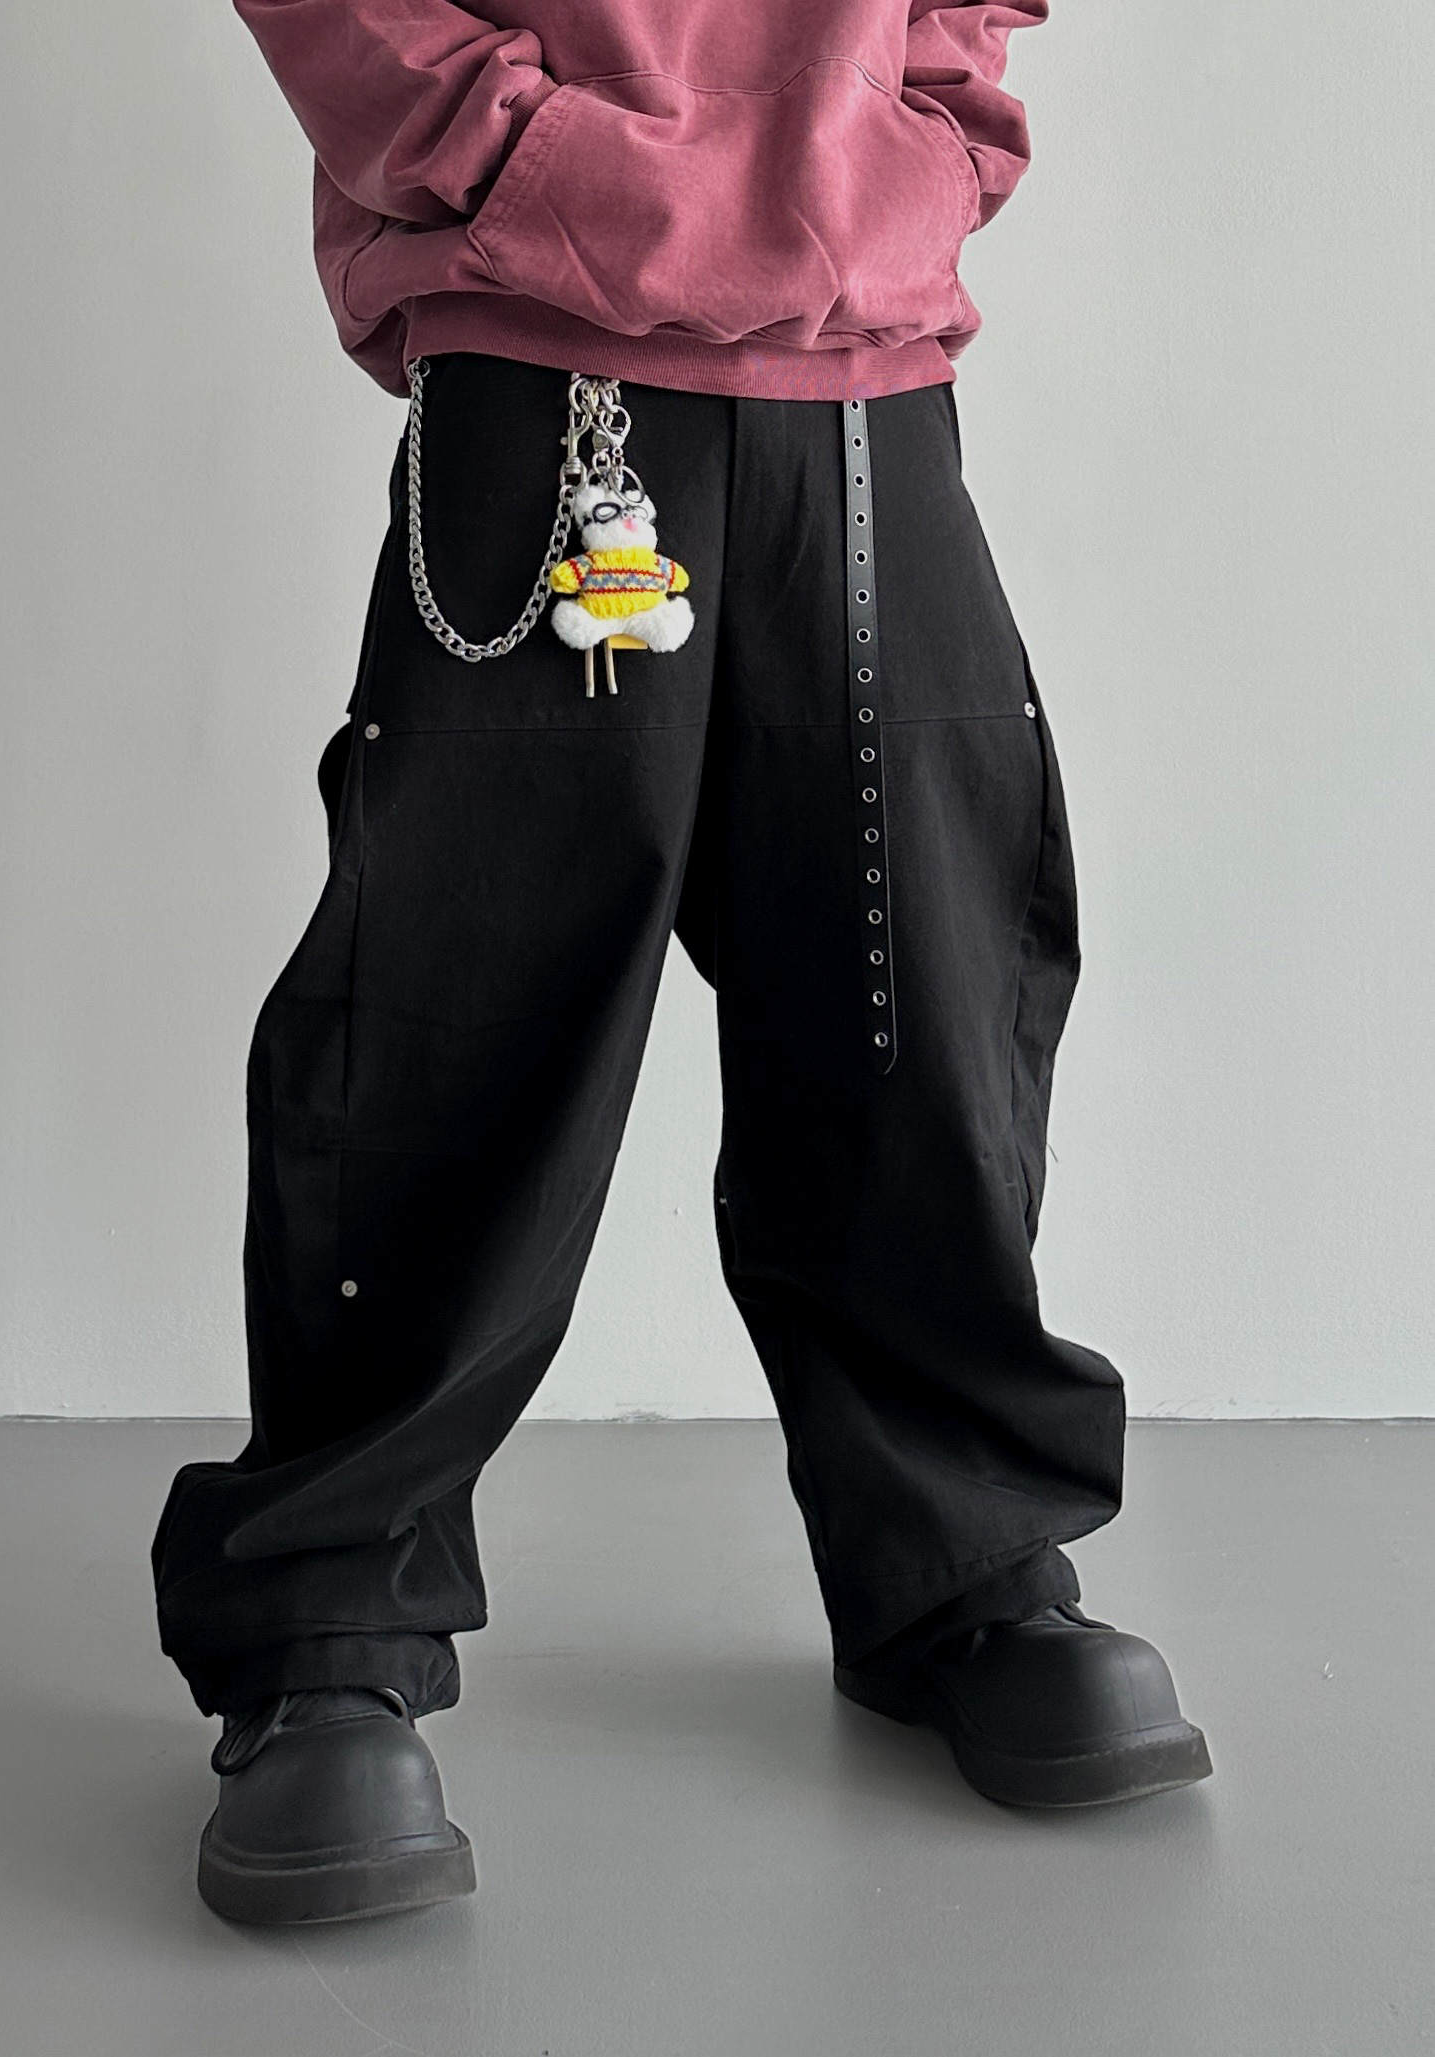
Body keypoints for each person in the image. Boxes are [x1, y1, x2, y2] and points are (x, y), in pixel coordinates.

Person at [152, 0, 1212, 1927]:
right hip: (543, 364)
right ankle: (325, 1625)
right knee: (453, 1008)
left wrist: (921, 132)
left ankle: (959, 1561)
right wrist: (529, 157)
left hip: (867, 383)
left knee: (917, 988)